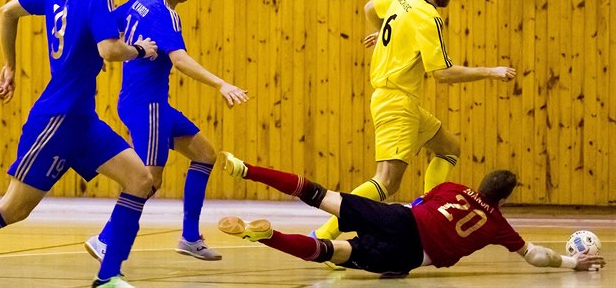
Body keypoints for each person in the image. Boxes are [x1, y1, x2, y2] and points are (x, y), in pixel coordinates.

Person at [0, 0, 158, 287]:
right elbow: (110, 51)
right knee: (14, 209)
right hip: (58, 119)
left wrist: (10, 65)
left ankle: (108, 275)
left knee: (141, 180)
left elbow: (7, 11)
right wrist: (140, 50)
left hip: (82, 119)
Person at [312, 0, 517, 244]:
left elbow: (370, 6)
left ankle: (428, 212)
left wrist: (378, 29)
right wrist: (491, 71)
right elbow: (443, 73)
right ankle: (324, 235)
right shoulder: (429, 18)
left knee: (448, 148)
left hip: (401, 100)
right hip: (397, 103)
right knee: (385, 181)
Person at [84, 0, 249, 263]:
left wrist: (102, 56)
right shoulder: (166, 14)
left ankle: (189, 238)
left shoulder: (139, 2)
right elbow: (180, 59)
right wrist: (221, 84)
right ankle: (105, 238)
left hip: (148, 104)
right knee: (148, 180)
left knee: (205, 155)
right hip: (149, 107)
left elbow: (103, 29)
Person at [216, 152, 607, 275]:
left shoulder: (452, 189)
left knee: (322, 194)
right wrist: (573, 263)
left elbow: (420, 203)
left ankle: (247, 169)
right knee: (331, 252)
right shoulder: (498, 224)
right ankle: (269, 237)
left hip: (403, 219)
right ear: (502, 200)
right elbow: (536, 255)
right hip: (410, 255)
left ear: (481, 183)